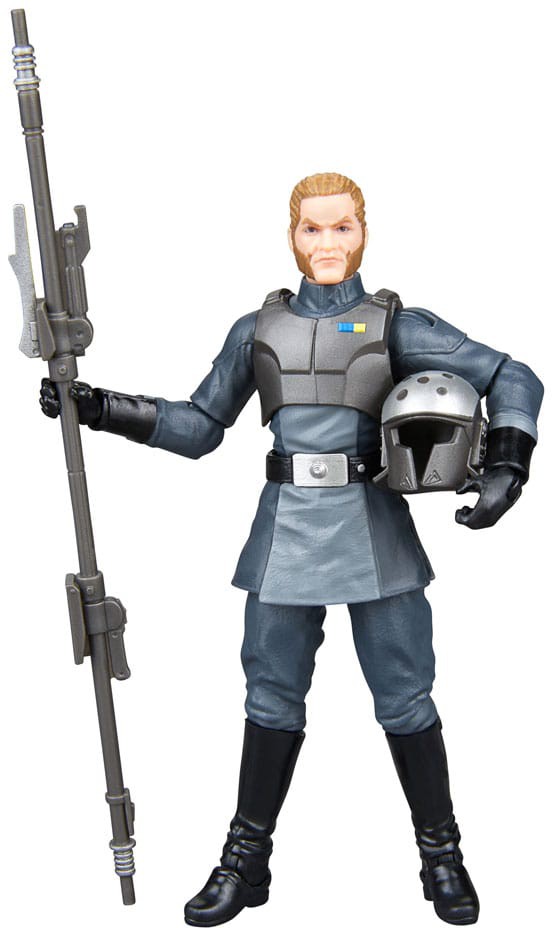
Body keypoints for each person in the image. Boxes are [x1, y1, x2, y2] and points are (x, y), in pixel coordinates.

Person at [40, 173, 543, 926]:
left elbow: (512, 374)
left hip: (374, 528)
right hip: (285, 532)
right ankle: (246, 862)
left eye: (342, 227)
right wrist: (103, 408)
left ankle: (441, 856)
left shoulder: (397, 325)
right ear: (292, 236)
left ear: (363, 232)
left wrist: (507, 461)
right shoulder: (259, 330)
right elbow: (200, 426)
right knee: (270, 696)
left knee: (405, 695)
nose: (327, 243)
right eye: (313, 228)